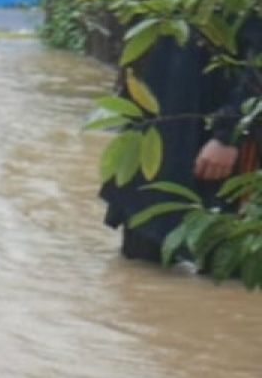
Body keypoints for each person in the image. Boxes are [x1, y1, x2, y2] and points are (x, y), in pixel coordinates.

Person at [100, 20, 262, 264]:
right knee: (143, 256)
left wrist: (229, 135)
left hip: (218, 141)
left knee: (222, 259)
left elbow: (256, 68)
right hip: (156, 136)